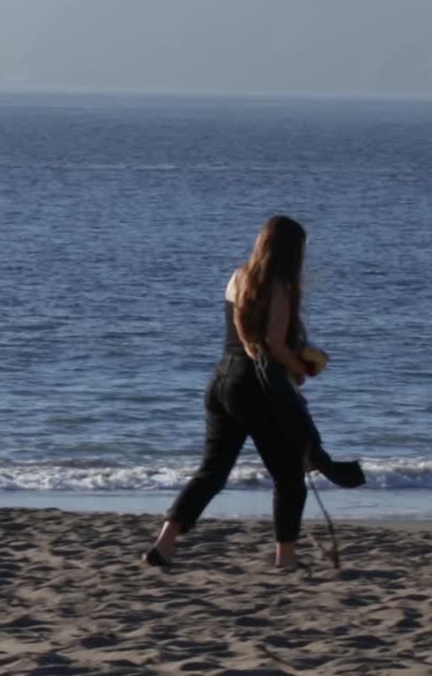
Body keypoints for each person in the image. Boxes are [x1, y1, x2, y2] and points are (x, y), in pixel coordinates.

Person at [144, 216, 359, 570]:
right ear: (291, 251)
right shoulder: (279, 285)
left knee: (211, 471)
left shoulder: (239, 276)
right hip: (253, 386)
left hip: (221, 379)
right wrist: (299, 366)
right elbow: (272, 345)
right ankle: (286, 560)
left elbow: (249, 337)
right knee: (289, 475)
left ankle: (164, 544)